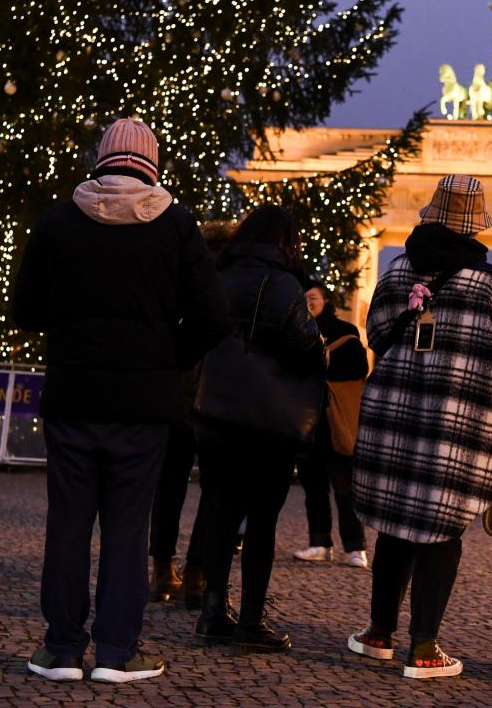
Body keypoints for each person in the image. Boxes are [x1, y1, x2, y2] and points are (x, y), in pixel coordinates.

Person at [13, 118, 227, 683]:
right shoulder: (176, 225)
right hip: (143, 402)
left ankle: (60, 649)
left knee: (68, 525)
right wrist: (165, 358)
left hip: (73, 394)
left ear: (101, 161)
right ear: (153, 166)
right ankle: (116, 650)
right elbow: (211, 316)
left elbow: (26, 310)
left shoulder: (60, 220)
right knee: (128, 529)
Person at [347, 174, 492, 679]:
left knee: (395, 523)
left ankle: (379, 634)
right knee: (442, 529)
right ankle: (425, 647)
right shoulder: (491, 285)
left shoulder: (394, 273)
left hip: (394, 422)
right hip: (460, 430)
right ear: (475, 225)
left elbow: (378, 336)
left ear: (430, 214)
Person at [192, 205, 327, 652]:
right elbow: (305, 346)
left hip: (216, 413)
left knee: (220, 512)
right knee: (262, 521)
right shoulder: (285, 284)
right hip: (267, 422)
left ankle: (212, 612)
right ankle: (250, 621)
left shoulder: (218, 274)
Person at [148, 221, 235, 608]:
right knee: (214, 490)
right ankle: (197, 575)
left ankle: (162, 570)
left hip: (176, 394)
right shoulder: (235, 283)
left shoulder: (181, 278)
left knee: (169, 486)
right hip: (219, 398)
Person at [293, 280, 371, 568]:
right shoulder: (296, 330)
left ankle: (356, 547)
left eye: (313, 297)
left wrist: (322, 366)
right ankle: (319, 542)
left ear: (325, 300)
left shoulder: (344, 332)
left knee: (344, 487)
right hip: (308, 423)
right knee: (313, 487)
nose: (309, 302)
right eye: (304, 298)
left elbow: (358, 369)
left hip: (335, 420)